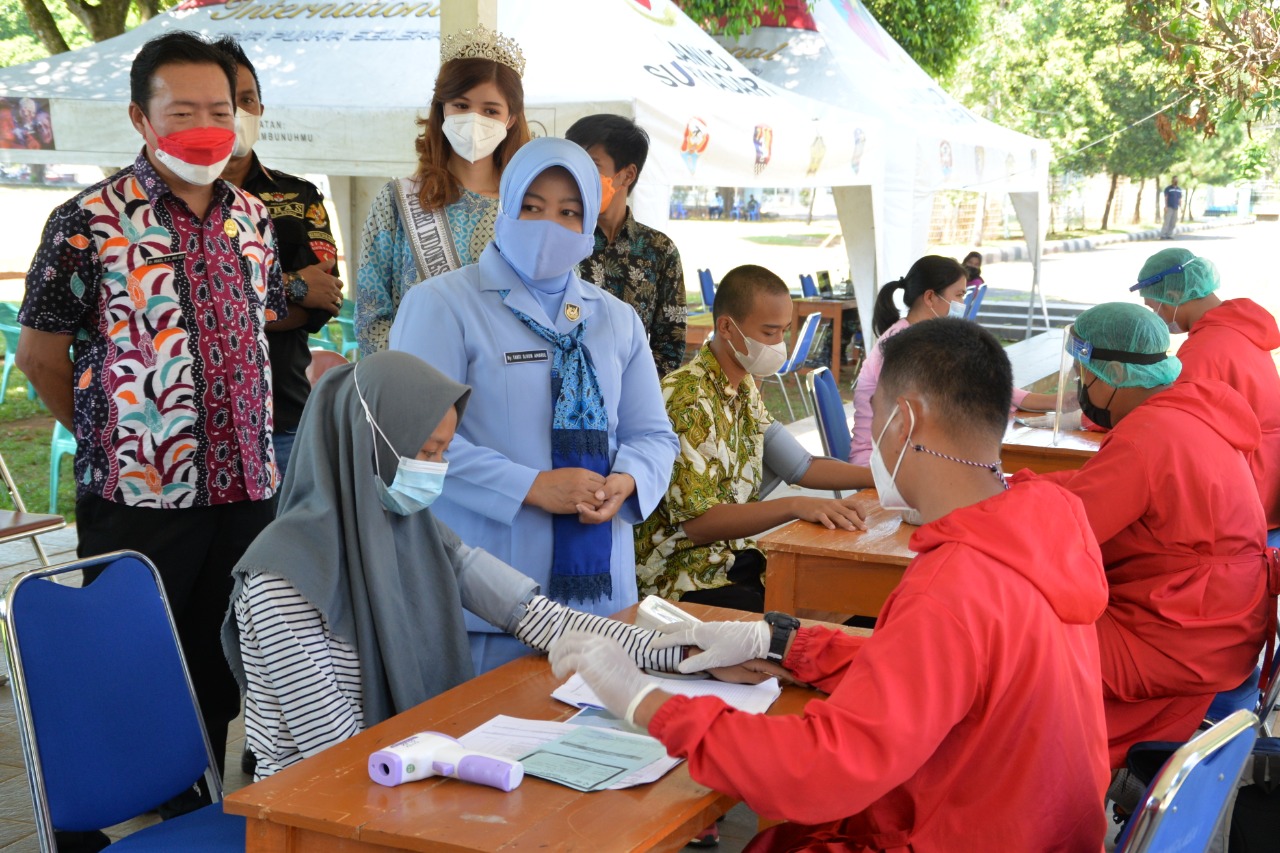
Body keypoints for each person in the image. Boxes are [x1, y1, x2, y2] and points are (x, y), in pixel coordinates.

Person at [551, 318, 1112, 852]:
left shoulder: (954, 584)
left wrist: (648, 703)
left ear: (905, 420)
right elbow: (931, 671)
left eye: (875, 411)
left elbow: (822, 770)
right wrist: (783, 643)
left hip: (960, 830)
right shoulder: (1039, 527)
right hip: (1031, 826)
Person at [16, 28, 282, 813]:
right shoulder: (85, 221)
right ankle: (170, 809)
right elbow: (39, 356)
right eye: (183, 109)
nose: (206, 123)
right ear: (140, 117)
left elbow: (248, 339)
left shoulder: (254, 219)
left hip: (248, 495)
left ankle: (226, 804)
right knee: (146, 669)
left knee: (231, 662)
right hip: (139, 499)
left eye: (221, 107)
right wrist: (111, 433)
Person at [222, 351, 689, 779]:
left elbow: (537, 617)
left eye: (443, 452)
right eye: (426, 452)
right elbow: (334, 753)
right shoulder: (280, 579)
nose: (436, 468)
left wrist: (683, 652)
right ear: (369, 439)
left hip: (411, 779)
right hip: (317, 807)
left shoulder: (416, 530)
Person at [387, 137, 679, 674]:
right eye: (532, 206)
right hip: (488, 600)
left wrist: (629, 480)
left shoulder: (615, 319)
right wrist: (531, 486)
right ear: (506, 204)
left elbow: (653, 435)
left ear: (591, 221)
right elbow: (409, 439)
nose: (549, 224)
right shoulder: (441, 305)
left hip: (599, 603)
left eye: (570, 212)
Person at [1015, 302, 1275, 768]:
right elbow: (1096, 490)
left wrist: (986, 504)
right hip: (1222, 620)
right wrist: (1026, 485)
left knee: (1013, 647)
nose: (1081, 385)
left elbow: (1065, 532)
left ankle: (1046, 775)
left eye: (1083, 373)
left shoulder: (1148, 436)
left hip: (1181, 633)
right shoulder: (1191, 412)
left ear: (1113, 372)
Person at [635, 264, 873, 611]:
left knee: (849, 592)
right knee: (802, 625)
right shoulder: (686, 397)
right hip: (680, 577)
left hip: (731, 558)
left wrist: (880, 479)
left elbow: (801, 466)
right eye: (769, 332)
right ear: (727, 327)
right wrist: (795, 506)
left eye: (784, 332)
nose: (780, 344)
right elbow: (700, 526)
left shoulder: (742, 385)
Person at [355, 24, 529, 355]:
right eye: (461, 105)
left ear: (510, 119)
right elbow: (370, 320)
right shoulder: (396, 201)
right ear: (442, 108)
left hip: (507, 389)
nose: (474, 118)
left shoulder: (527, 208)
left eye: (490, 110)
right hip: (417, 386)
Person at [214, 36, 343, 476]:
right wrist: (291, 288)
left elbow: (324, 303)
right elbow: (190, 304)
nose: (237, 112)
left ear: (261, 111)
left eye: (247, 99)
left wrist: (229, 305)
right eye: (224, 101)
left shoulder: (298, 195)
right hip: (199, 426)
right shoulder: (168, 205)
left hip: (285, 418)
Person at [1132, 247, 1280, 541]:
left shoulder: (1205, 349)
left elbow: (1167, 419)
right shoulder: (1241, 327)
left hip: (1249, 488)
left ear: (1174, 297)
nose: (1157, 317)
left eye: (1155, 307)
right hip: (1271, 476)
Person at [849, 255, 1053, 465]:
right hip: (879, 460)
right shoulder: (901, 345)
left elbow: (987, 388)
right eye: (959, 295)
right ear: (930, 298)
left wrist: (1060, 402)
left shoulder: (929, 339)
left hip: (907, 453)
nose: (962, 304)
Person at [566, 114, 687, 377]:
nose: (578, 175)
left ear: (626, 175)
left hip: (632, 401)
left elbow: (670, 345)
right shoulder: (559, 238)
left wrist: (637, 397)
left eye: (592, 165)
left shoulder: (660, 250)